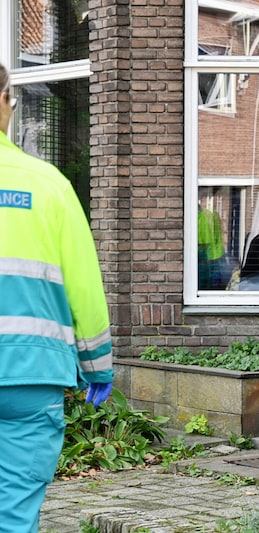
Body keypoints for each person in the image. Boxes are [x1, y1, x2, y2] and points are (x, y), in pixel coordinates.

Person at [0, 63, 114, 532]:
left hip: (33, 373)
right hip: (32, 375)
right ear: (5, 102)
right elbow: (84, 289)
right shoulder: (49, 187)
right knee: (15, 515)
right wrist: (98, 366)